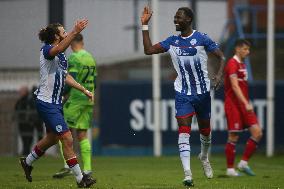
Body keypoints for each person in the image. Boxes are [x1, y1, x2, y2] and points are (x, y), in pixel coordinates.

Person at [140, 6, 226, 187]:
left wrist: (219, 75)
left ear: (188, 19)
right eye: (174, 17)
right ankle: (187, 174)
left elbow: (221, 57)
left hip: (202, 93)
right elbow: (148, 50)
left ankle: (204, 157)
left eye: (178, 17)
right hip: (183, 93)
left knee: (205, 132)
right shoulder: (172, 42)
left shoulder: (201, 38)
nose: (175, 20)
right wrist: (144, 26)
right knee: (184, 130)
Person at [19, 19, 96, 188]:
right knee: (67, 138)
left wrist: (83, 89)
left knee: (52, 138)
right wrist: (75, 31)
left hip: (55, 103)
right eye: (63, 32)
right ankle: (80, 179)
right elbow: (60, 47)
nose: (67, 33)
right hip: (46, 103)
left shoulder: (61, 55)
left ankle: (28, 161)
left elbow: (65, 76)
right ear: (56, 36)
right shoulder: (47, 50)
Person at [52, 33, 97, 179]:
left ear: (71, 43)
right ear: (82, 41)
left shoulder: (74, 58)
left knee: (63, 130)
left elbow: (72, 79)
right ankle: (88, 169)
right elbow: (95, 81)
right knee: (82, 134)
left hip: (76, 99)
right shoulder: (90, 58)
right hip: (89, 99)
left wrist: (63, 94)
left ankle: (67, 165)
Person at [224, 39, 262, 177]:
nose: (248, 52)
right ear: (237, 49)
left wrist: (245, 103)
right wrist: (245, 103)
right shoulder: (232, 64)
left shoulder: (242, 64)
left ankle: (243, 163)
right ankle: (230, 170)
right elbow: (234, 86)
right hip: (234, 105)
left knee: (257, 132)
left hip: (243, 104)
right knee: (233, 136)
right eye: (245, 49)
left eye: (248, 49)